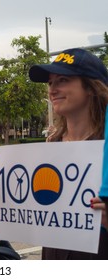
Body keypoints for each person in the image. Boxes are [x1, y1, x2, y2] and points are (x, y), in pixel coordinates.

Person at [29, 47, 108, 259]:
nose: (52, 89)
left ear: (91, 87)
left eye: (62, 80)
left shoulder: (105, 148)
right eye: (50, 82)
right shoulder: (51, 145)